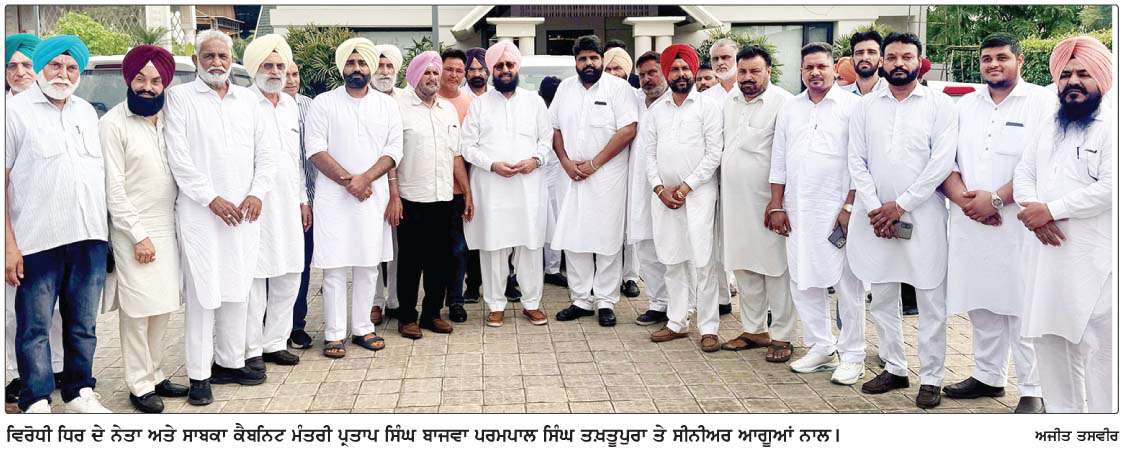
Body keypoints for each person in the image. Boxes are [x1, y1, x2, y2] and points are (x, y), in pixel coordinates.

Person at [164, 30, 277, 405]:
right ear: (196, 60)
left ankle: (230, 362)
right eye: (208, 56)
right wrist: (211, 198)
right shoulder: (179, 98)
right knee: (203, 294)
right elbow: (179, 159)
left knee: (237, 288)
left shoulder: (248, 101)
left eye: (222, 56)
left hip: (243, 214)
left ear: (232, 60)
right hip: (201, 215)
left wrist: (257, 193)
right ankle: (199, 375)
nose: (216, 62)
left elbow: (267, 154)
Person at [941, 33, 1051, 414]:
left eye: (1002, 57)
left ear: (1020, 60)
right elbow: (947, 160)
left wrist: (998, 199)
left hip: (1018, 222)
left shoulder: (1041, 102)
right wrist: (965, 201)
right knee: (982, 301)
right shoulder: (965, 105)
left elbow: (1042, 161)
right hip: (972, 221)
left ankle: (1034, 389)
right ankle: (988, 376)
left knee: (1021, 304)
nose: (993, 64)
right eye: (986, 58)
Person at [848, 32, 956, 409]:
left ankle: (932, 377)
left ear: (919, 61)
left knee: (930, 298)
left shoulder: (939, 105)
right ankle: (894, 367)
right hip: (875, 218)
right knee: (882, 296)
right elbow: (856, 161)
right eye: (891, 57)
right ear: (882, 62)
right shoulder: (865, 107)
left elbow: (941, 163)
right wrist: (876, 208)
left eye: (906, 57)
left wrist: (902, 205)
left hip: (923, 217)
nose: (898, 63)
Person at [5, 35, 111, 413]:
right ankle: (35, 399)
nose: (63, 74)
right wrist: (9, 246)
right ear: (41, 67)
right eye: (55, 65)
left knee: (83, 324)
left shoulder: (86, 112)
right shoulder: (14, 112)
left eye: (71, 67)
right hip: (37, 238)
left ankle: (79, 392)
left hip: (88, 236)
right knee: (34, 326)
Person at [1013, 35, 1114, 413]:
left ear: (1101, 78)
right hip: (1046, 260)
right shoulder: (1049, 124)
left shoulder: (1111, 126)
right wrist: (1034, 211)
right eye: (1066, 74)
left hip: (1094, 261)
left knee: (1102, 354)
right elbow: (1023, 172)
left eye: (1083, 74)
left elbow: (1111, 187)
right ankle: (1062, 423)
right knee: (1051, 344)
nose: (1073, 81)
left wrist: (1051, 210)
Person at [768, 43, 865, 384]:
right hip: (798, 209)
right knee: (802, 279)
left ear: (834, 69)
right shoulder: (790, 108)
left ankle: (853, 355)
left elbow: (860, 162)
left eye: (821, 66)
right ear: (801, 71)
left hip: (837, 210)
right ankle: (821, 347)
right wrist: (777, 204)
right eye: (808, 67)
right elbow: (779, 159)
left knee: (846, 284)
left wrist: (850, 206)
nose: (815, 73)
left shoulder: (852, 107)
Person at [100, 45, 190, 413]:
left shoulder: (170, 118)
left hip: (169, 227)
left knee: (162, 307)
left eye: (155, 81)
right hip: (132, 231)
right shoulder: (113, 124)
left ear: (165, 84)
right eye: (140, 79)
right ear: (129, 80)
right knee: (137, 312)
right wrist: (138, 236)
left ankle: (155, 374)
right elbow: (114, 189)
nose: (147, 87)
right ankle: (139, 385)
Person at [304, 37, 399, 358]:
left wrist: (365, 179)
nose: (356, 68)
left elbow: (394, 150)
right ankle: (333, 334)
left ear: (370, 66)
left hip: (372, 197)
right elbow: (315, 149)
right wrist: (350, 182)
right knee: (334, 267)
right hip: (334, 198)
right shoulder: (323, 103)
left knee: (368, 264)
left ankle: (362, 328)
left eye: (361, 62)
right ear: (341, 66)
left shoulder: (387, 105)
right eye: (350, 62)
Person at [550, 35, 639, 328]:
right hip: (571, 176)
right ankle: (580, 300)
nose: (588, 63)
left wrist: (594, 163)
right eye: (582, 59)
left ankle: (605, 301)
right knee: (574, 238)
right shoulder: (565, 88)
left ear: (602, 59)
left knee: (607, 239)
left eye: (593, 58)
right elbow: (554, 129)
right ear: (575, 62)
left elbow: (628, 130)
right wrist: (565, 162)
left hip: (608, 176)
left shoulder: (619, 89)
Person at [460, 41, 552, 328]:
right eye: (499, 66)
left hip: (527, 186)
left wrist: (536, 160)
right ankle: (496, 305)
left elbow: (546, 140)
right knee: (493, 247)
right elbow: (466, 146)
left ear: (517, 67)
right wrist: (491, 164)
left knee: (530, 246)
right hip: (492, 187)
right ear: (492, 70)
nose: (504, 70)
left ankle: (531, 303)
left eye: (509, 64)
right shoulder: (479, 105)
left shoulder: (534, 102)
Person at [642, 44, 723, 351]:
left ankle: (709, 327)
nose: (681, 74)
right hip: (665, 197)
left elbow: (714, 153)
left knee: (703, 261)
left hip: (699, 195)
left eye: (685, 68)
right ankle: (677, 322)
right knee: (672, 260)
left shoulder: (708, 107)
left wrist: (687, 187)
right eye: (674, 69)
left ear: (694, 71)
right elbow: (649, 155)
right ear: (667, 72)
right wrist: (659, 188)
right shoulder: (656, 110)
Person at [719, 44, 795, 361]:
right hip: (734, 202)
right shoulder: (729, 101)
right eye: (743, 71)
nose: (748, 77)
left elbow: (788, 156)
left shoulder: (785, 103)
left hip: (768, 203)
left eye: (755, 71)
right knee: (744, 266)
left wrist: (779, 202)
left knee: (775, 269)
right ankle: (753, 330)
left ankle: (782, 336)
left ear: (769, 72)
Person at [3, 32, 65, 408]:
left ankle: (55, 368)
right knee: (14, 309)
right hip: (12, 226)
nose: (20, 72)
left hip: (52, 223)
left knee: (54, 306)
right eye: (12, 65)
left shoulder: (56, 105)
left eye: (27, 64)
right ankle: (17, 374)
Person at [391, 51, 471, 338]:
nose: (433, 77)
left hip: (444, 198)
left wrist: (467, 192)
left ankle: (432, 314)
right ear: (414, 75)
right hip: (411, 198)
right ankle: (407, 317)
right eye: (427, 72)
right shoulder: (398, 108)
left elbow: (456, 155)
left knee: (440, 261)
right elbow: (391, 157)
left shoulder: (447, 110)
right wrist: (394, 195)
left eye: (436, 72)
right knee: (410, 262)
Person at [241, 34, 306, 373]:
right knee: (256, 278)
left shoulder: (290, 105)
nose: (276, 71)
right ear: (254, 68)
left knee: (291, 272)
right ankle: (251, 348)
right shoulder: (244, 102)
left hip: (289, 202)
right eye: (268, 65)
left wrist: (304, 199)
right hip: (256, 204)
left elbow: (296, 160)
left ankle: (275, 342)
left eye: (280, 65)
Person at [629, 51, 671, 326]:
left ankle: (679, 304)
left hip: (667, 187)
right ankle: (658, 302)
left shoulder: (675, 102)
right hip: (638, 185)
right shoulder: (634, 101)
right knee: (645, 245)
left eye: (653, 72)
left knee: (670, 246)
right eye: (642, 75)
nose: (647, 79)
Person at [283, 58, 320, 351]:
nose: (291, 80)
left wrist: (308, 200)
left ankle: (297, 325)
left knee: (301, 265)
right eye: (286, 74)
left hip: (310, 200)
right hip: (277, 202)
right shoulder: (257, 106)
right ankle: (272, 328)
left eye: (295, 74)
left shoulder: (310, 106)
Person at [436, 48, 475, 323]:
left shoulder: (471, 104)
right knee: (435, 250)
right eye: (448, 69)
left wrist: (469, 190)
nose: (453, 74)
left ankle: (456, 300)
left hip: (461, 188)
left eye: (459, 70)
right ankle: (434, 301)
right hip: (429, 190)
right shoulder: (428, 99)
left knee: (459, 248)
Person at [602, 46, 643, 299]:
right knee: (611, 226)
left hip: (636, 170)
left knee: (633, 225)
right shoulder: (600, 96)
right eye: (608, 68)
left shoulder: (638, 96)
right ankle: (611, 279)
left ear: (627, 71)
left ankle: (631, 276)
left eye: (618, 68)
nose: (613, 73)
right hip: (609, 170)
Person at [370, 43, 403, 324]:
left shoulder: (405, 99)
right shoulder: (363, 99)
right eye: (379, 66)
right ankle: (375, 301)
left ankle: (393, 299)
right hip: (370, 184)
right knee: (372, 245)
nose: (384, 71)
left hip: (405, 185)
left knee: (397, 247)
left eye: (389, 66)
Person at [538, 75, 570, 290]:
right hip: (540, 175)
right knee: (547, 224)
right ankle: (549, 269)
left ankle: (552, 269)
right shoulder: (537, 113)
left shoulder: (563, 114)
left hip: (559, 176)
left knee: (555, 224)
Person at [841, 30, 889, 96]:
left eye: (871, 52)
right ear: (852, 61)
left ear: (881, 61)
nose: (865, 58)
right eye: (859, 53)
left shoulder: (892, 92)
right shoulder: (841, 95)